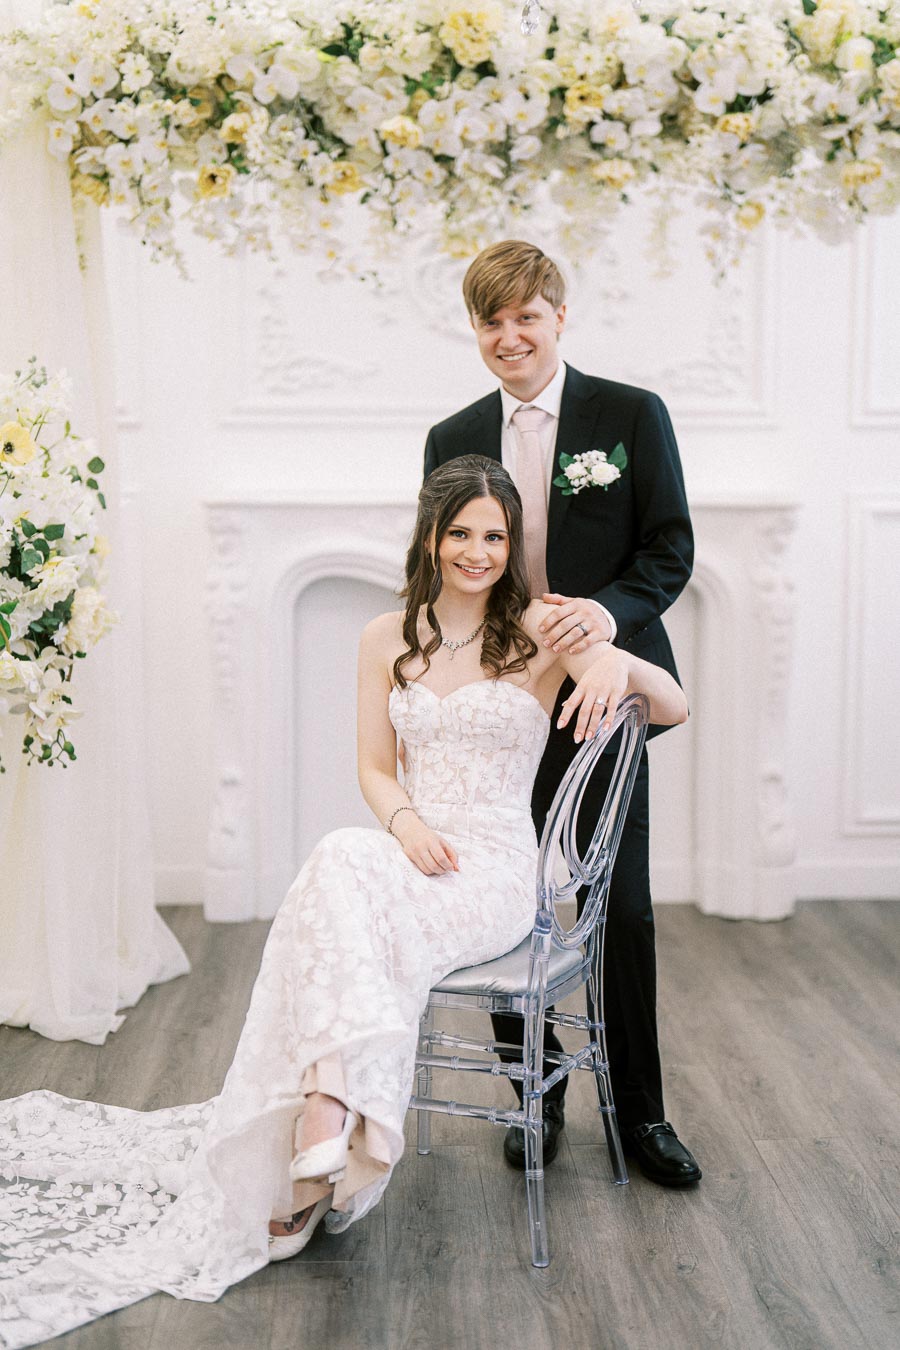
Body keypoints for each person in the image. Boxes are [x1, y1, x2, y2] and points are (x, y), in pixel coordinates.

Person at [0, 456, 687, 1348]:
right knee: (339, 860)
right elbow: (371, 766)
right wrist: (404, 826)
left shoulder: (541, 633)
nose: (477, 552)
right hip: (413, 849)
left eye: (494, 537)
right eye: (461, 534)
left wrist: (614, 662)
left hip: (493, 872)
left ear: (512, 547)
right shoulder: (384, 636)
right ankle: (330, 1117)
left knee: (337, 886)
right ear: (431, 537)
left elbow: (668, 704)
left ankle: (321, 1140)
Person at [424, 240, 700, 1186]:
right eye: (490, 322)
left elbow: (671, 549)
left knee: (619, 908)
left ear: (558, 316)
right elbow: (448, 566)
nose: (510, 336)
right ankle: (534, 1103)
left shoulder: (629, 415)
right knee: (510, 902)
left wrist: (608, 621)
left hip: (605, 691)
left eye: (525, 317)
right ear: (477, 331)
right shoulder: (451, 433)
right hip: (504, 700)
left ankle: (644, 1117)